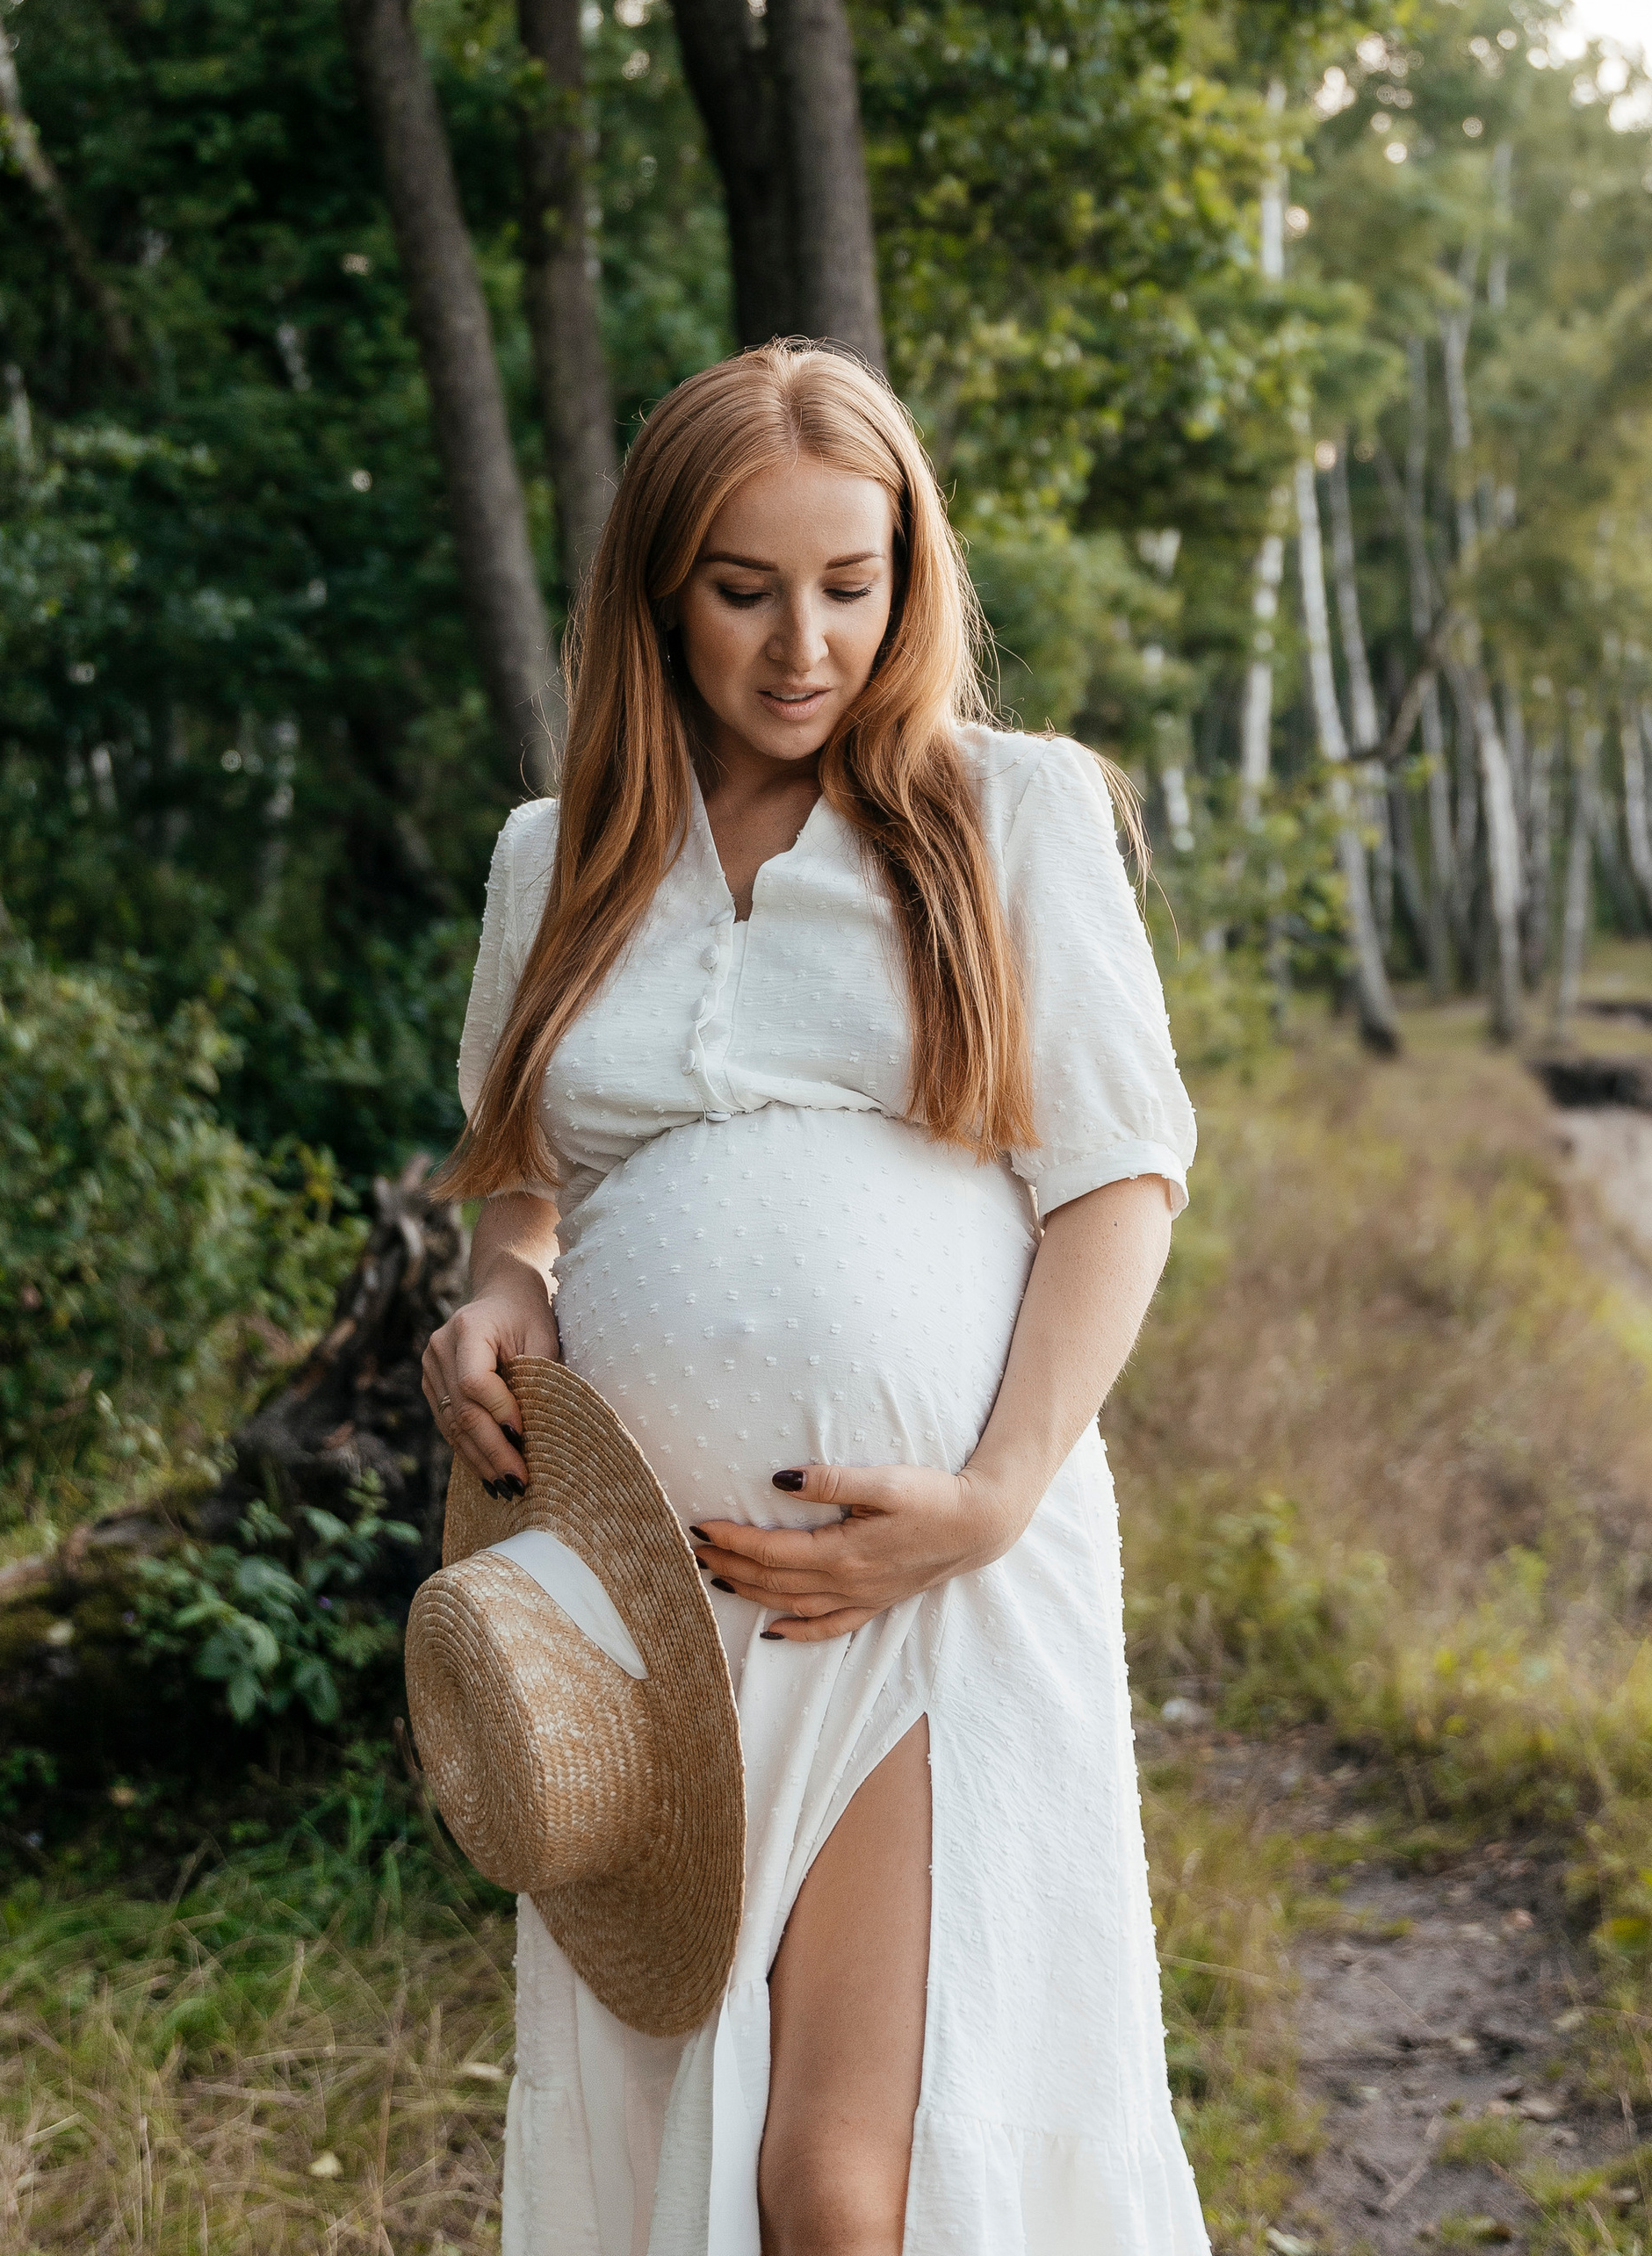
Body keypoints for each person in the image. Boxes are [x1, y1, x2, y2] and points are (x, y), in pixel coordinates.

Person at [421, 342, 1207, 2256]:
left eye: (851, 586)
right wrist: (502, 1283)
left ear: (907, 576)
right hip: (643, 1613)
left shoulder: (1008, 813)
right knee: (687, 2162)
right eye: (743, 589)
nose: (804, 647)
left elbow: (1117, 1180)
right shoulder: (553, 860)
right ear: (656, 592)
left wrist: (993, 1496)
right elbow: (528, 1174)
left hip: (926, 1576)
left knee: (839, 2189)